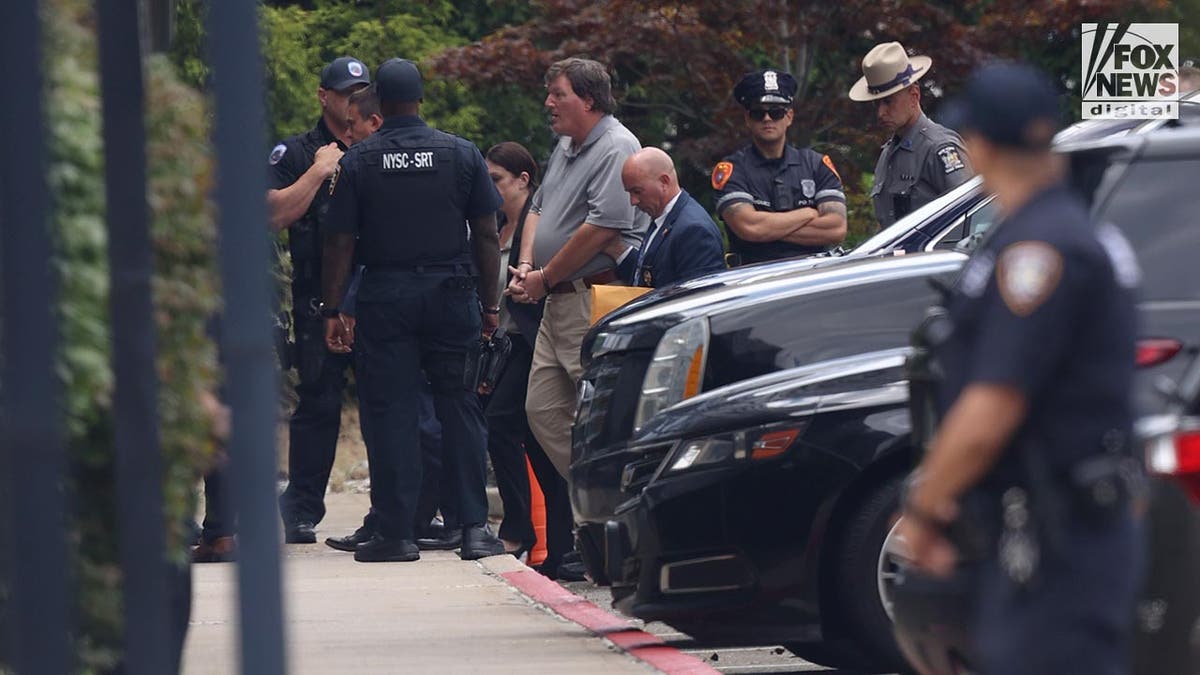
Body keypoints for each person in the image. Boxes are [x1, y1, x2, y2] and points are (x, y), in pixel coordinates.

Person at [898, 63, 1144, 674]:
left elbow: (994, 403)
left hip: (1061, 533)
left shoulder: (1042, 249)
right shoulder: (1056, 233)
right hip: (1050, 527)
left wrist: (926, 505)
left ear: (979, 145)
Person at [321, 57, 504, 563]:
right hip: (452, 293)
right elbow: (486, 234)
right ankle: (471, 528)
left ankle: (397, 533)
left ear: (378, 101)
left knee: (391, 413)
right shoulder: (461, 153)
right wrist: (491, 305)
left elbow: (339, 241)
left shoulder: (358, 161)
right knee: (460, 408)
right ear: (421, 98)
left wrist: (332, 307)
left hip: (387, 296)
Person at [507, 58, 648, 482]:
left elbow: (604, 228)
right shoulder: (566, 143)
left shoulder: (617, 146)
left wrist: (544, 278)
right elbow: (538, 206)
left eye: (558, 94)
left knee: (600, 412)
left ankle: (616, 501)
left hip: (592, 298)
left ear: (587, 100)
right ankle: (600, 495)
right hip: (555, 299)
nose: (548, 102)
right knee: (543, 410)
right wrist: (529, 266)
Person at [267, 56, 370, 544]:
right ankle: (303, 509)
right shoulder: (295, 150)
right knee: (318, 404)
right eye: (345, 91)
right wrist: (317, 171)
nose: (353, 100)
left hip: (374, 293)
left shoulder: (379, 145)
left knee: (388, 403)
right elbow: (272, 215)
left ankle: (406, 508)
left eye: (361, 92)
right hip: (315, 297)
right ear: (323, 96)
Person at [481, 141, 573, 570]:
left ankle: (525, 530)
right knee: (533, 442)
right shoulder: (491, 226)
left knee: (507, 425)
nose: (490, 187)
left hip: (534, 339)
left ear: (523, 180)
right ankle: (557, 546)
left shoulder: (539, 231)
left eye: (497, 179)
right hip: (504, 344)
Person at [713, 69, 847, 266]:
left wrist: (768, 228)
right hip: (753, 278)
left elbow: (835, 229)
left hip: (810, 276)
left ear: (789, 117)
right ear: (747, 119)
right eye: (758, 113)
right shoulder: (733, 169)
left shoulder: (817, 165)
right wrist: (808, 213)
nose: (767, 119)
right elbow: (749, 227)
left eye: (776, 112)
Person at [849, 42, 973, 230]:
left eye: (888, 102)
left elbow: (969, 216)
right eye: (877, 104)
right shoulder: (888, 153)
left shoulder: (939, 148)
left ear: (914, 95)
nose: (880, 113)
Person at [610, 147, 725, 287]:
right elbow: (653, 275)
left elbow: (700, 299)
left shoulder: (693, 231)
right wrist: (618, 251)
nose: (633, 201)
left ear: (664, 182)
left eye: (637, 191)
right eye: (630, 193)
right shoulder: (663, 219)